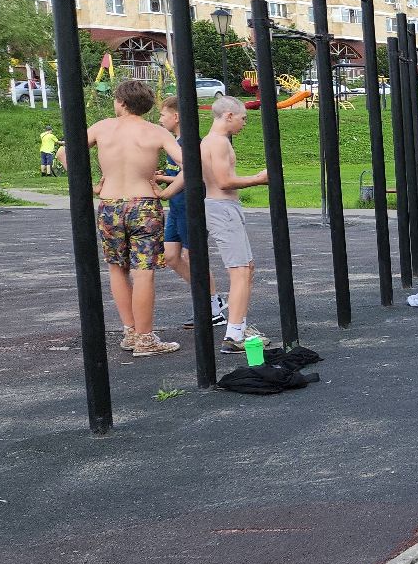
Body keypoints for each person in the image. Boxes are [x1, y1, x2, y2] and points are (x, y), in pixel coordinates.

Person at [72, 80, 180, 357]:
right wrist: (168, 191)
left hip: (109, 203)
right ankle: (145, 339)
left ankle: (130, 331)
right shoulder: (155, 131)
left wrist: (90, 186)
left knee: (116, 268)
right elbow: (192, 162)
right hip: (144, 203)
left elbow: (65, 152)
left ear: (120, 102)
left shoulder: (102, 128)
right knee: (143, 273)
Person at [201, 96, 272, 353]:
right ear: (229, 116)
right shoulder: (218, 143)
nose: (244, 123)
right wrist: (259, 178)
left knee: (247, 268)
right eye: (243, 118)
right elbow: (223, 181)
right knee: (240, 271)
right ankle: (234, 335)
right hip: (222, 208)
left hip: (223, 207)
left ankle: (239, 326)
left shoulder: (210, 141)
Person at [155, 97, 226, 330]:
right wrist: (161, 177)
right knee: (171, 256)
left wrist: (163, 191)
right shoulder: (174, 142)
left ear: (176, 117)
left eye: (163, 114)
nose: (160, 119)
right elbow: (179, 174)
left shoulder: (189, 143)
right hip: (176, 207)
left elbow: (191, 175)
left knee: (194, 256)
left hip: (190, 205)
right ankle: (206, 298)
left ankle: (213, 305)